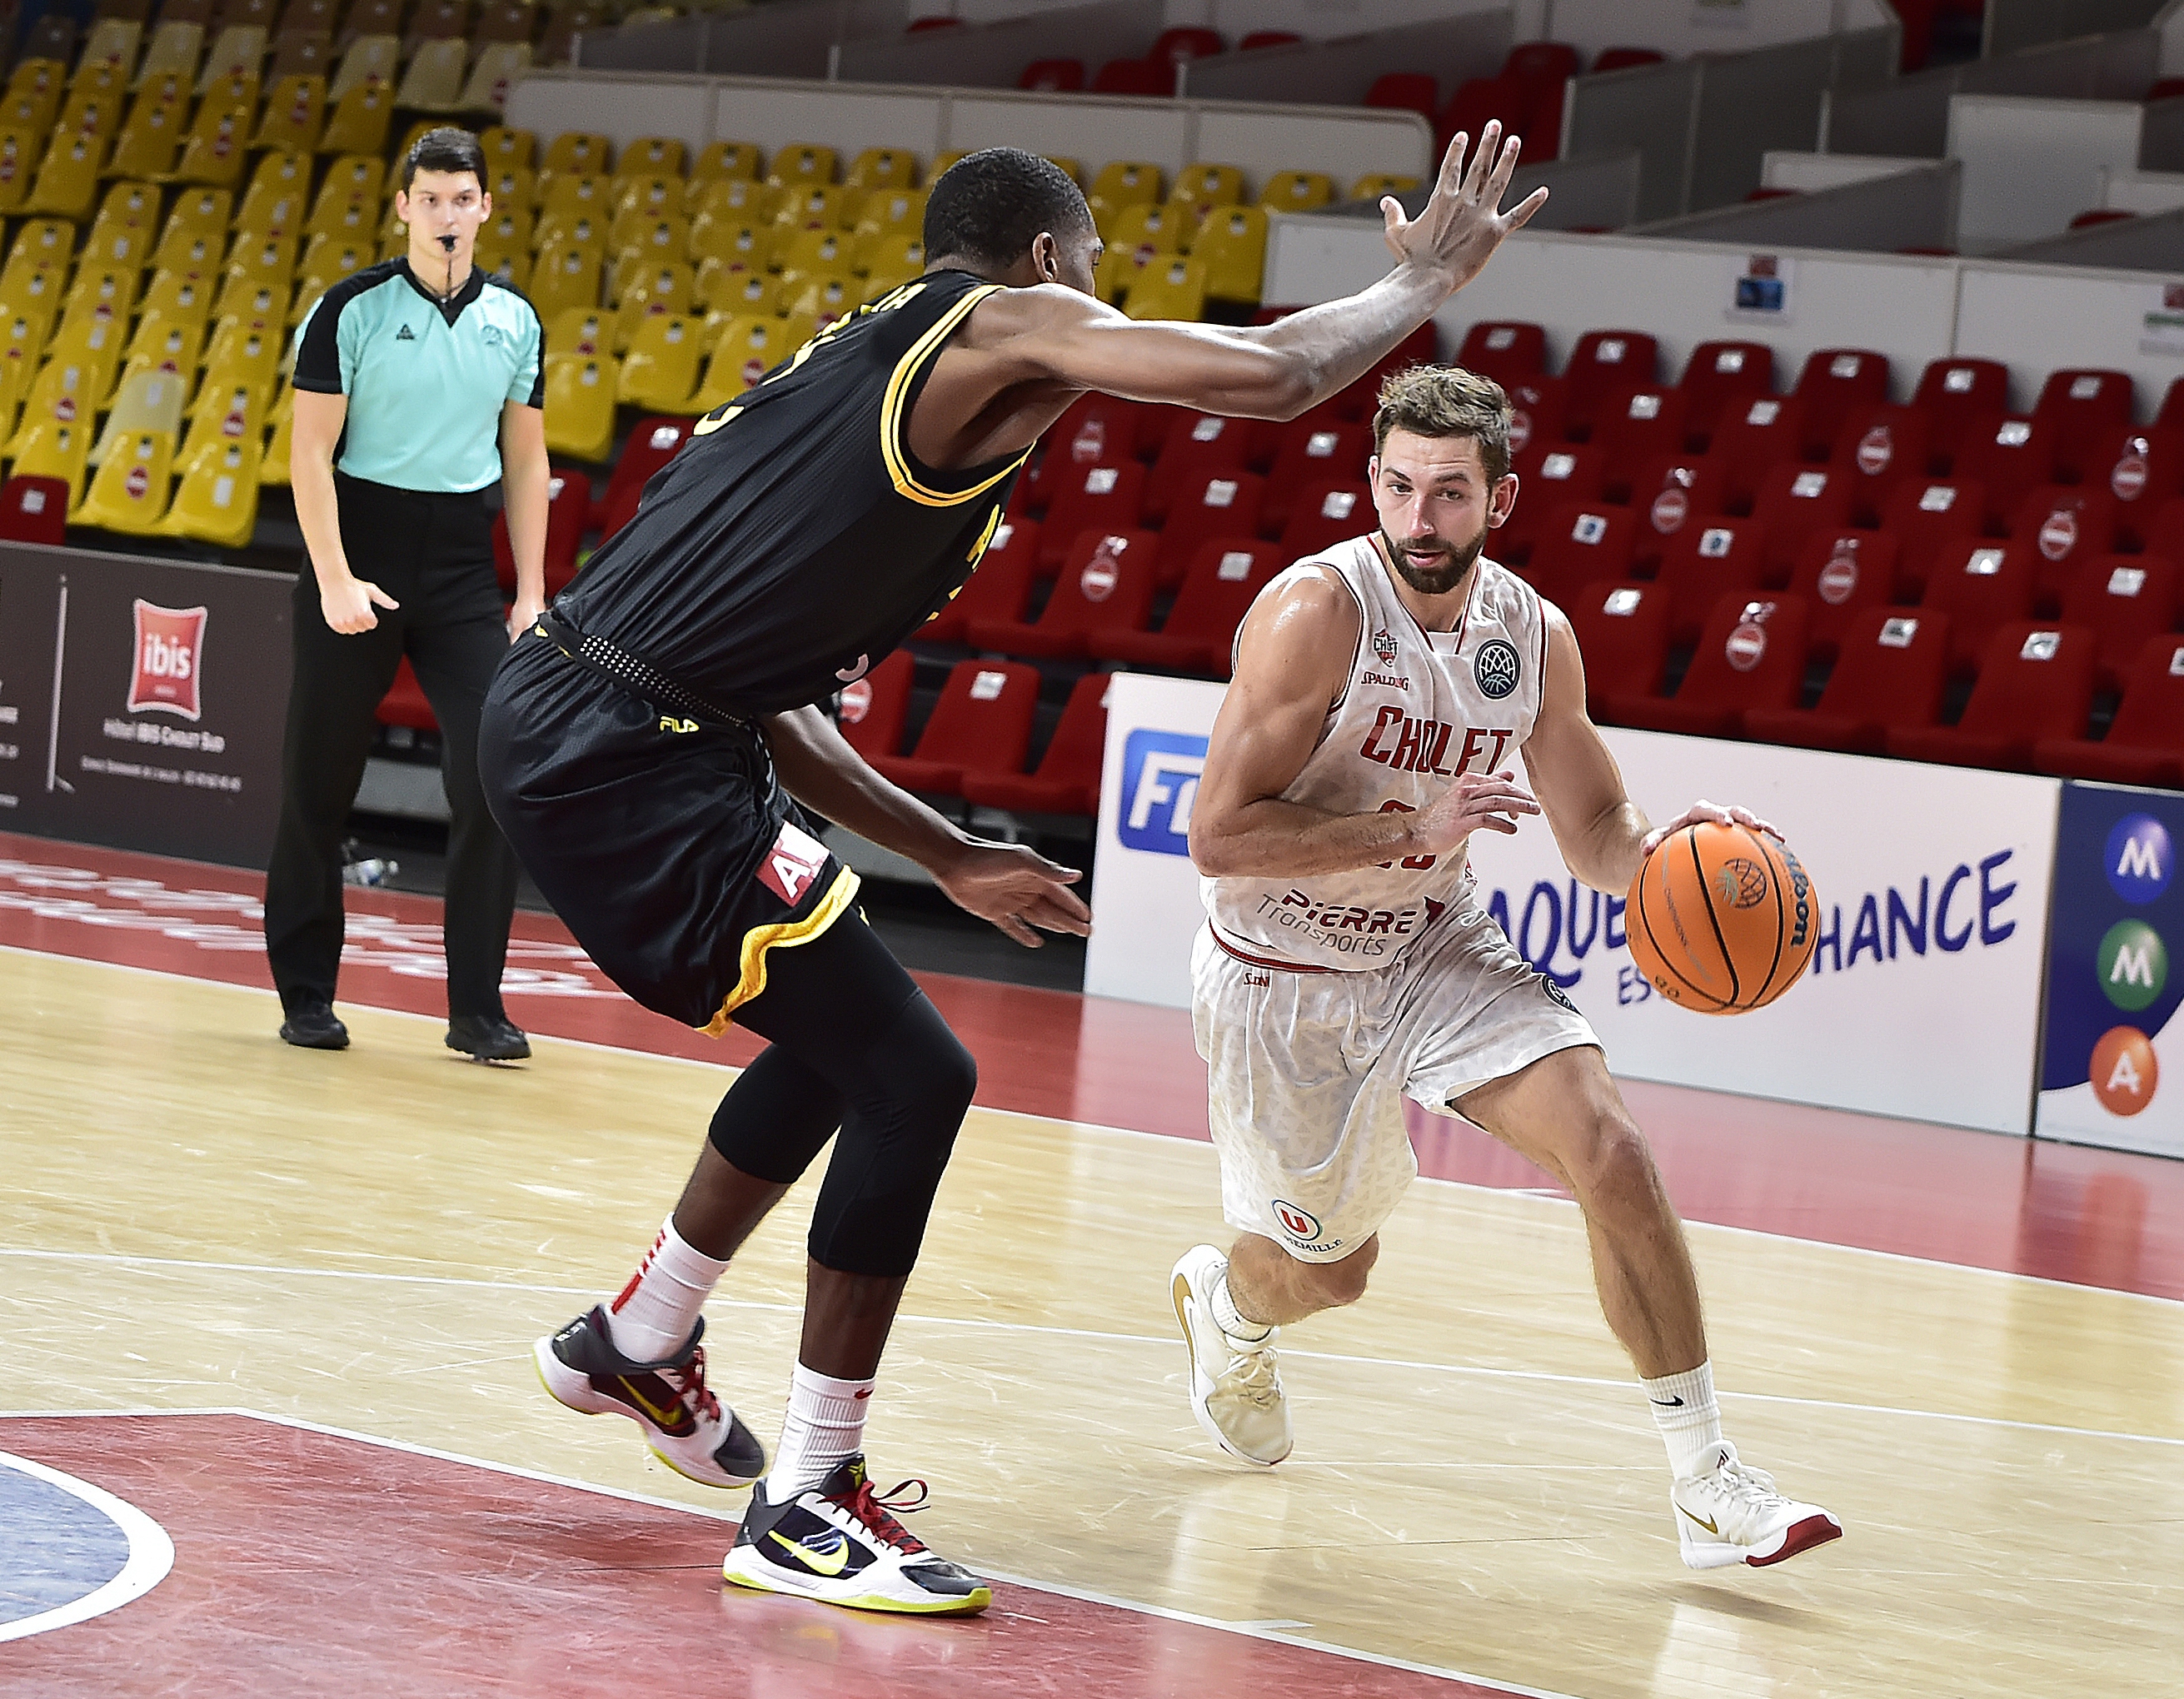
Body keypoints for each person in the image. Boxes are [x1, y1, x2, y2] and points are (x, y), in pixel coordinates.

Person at [479, 129, 1547, 1617]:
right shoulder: (998, 321)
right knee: (918, 1079)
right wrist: (1418, 280)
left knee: (838, 1041)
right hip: (626, 751)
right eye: (1097, 266)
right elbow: (1275, 376)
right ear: (1049, 259)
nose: (1102, 303)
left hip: (645, 724)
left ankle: (640, 1337)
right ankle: (805, 1496)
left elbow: (767, 684)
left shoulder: (853, 368)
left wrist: (949, 854)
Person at [1169, 364, 1842, 1572]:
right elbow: (1216, 838)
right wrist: (1399, 832)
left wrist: (1679, 857)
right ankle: (1228, 1309)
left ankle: (1705, 1481)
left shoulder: (1529, 635)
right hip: (1282, 973)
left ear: (1501, 499)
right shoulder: (1314, 614)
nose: (1418, 521)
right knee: (1330, 1277)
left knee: (1610, 1149)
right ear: (1370, 483)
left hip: (1431, 943)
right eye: (1396, 488)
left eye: (1448, 495)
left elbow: (1595, 834)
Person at [264, 127, 547, 1062]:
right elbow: (308, 454)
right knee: (319, 782)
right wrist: (337, 575)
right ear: (404, 208)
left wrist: (532, 591)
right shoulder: (347, 308)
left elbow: (524, 455)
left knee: (489, 778)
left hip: (463, 571)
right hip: (358, 548)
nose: (446, 215)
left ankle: (477, 1010)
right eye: (430, 199)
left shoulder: (517, 319)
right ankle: (306, 994)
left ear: (485, 209)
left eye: (462, 199)